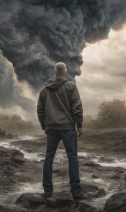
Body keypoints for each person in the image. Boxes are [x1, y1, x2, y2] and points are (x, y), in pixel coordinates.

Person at [37, 62, 88, 200]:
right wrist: (80, 125)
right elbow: (77, 107)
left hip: (52, 128)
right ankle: (76, 191)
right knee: (72, 157)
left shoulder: (45, 90)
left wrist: (44, 126)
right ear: (65, 71)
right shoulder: (71, 86)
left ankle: (47, 190)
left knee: (49, 157)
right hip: (67, 128)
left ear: (55, 72)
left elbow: (40, 110)